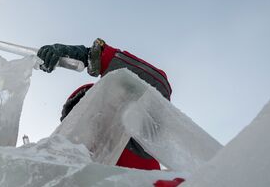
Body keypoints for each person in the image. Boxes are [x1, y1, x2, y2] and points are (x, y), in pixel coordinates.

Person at [37, 38, 172, 171]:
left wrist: (94, 57)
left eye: (96, 106)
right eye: (80, 114)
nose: (91, 117)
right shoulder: (65, 164)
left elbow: (158, 89)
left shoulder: (138, 141)